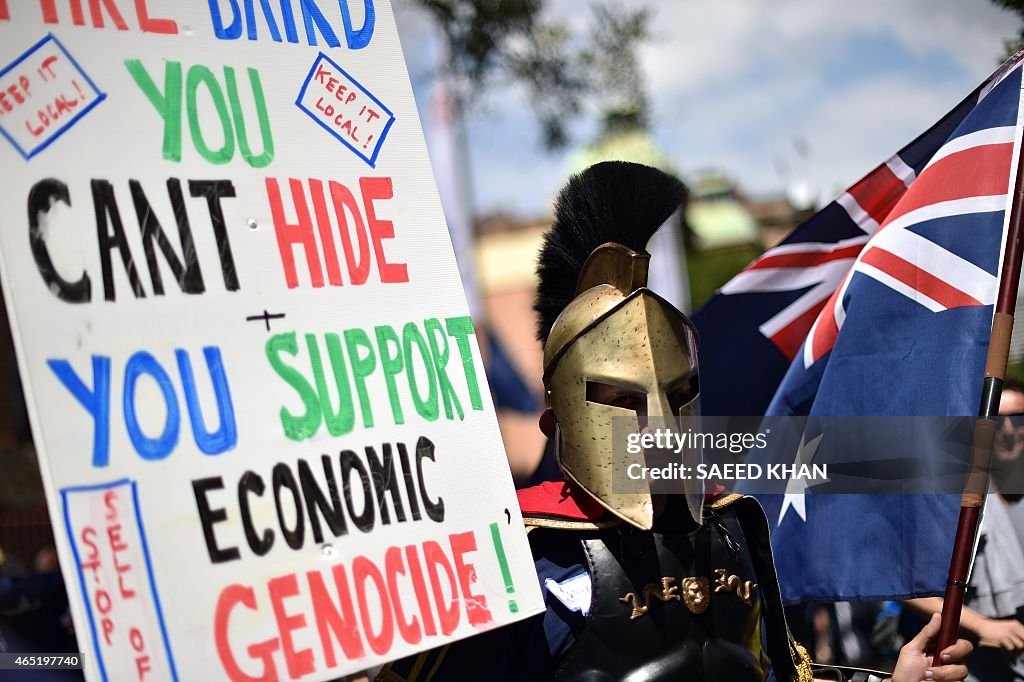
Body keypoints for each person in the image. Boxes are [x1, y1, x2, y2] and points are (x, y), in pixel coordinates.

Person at [377, 162, 973, 682]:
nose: (658, 425)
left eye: (679, 393)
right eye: (621, 399)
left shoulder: (734, 525)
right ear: (557, 418)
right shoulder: (520, 556)